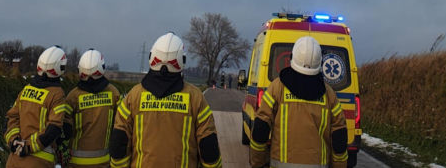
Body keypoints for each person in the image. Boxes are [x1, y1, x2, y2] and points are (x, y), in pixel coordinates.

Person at [109, 32, 222, 168]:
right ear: (182, 61)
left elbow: (118, 141)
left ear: (152, 57)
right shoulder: (195, 97)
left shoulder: (133, 96)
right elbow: (209, 147)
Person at [249, 36, 348, 168]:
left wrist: (257, 163)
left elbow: (260, 128)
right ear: (320, 63)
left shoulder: (277, 88)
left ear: (292, 57)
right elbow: (339, 137)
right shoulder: (329, 95)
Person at [5, 46, 68, 168]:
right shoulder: (57, 94)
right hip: (39, 162)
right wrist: (28, 146)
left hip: (14, 161)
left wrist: (14, 141)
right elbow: (54, 128)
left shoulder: (26, 89)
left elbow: (10, 118)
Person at [63, 49, 120, 168]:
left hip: (75, 163)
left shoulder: (73, 96)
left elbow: (64, 128)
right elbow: (122, 125)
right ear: (102, 68)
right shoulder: (114, 93)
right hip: (103, 162)